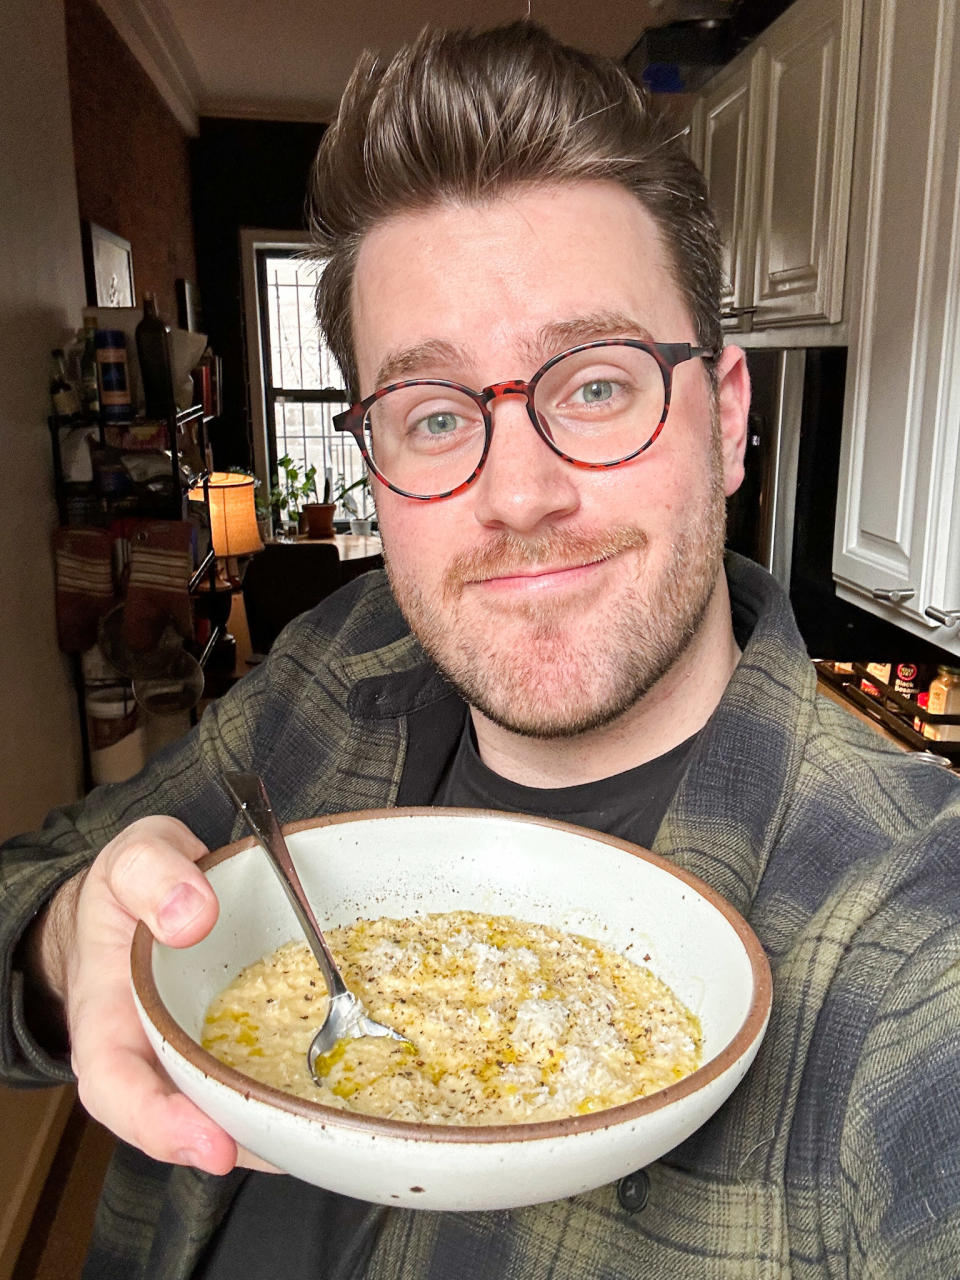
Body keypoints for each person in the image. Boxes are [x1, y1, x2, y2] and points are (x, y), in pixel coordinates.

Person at [3, 19, 960, 1280]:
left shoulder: (906, 932)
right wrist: (66, 940)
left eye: (598, 385)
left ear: (726, 423)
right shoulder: (329, 673)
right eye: (436, 412)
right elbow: (32, 888)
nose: (518, 495)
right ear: (377, 465)